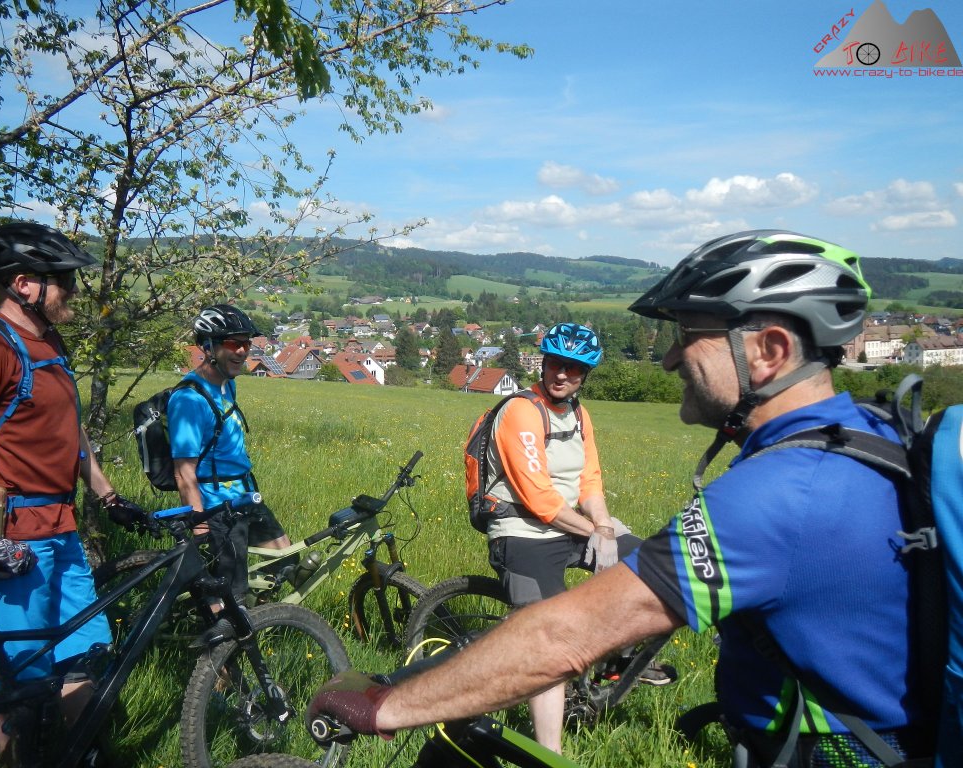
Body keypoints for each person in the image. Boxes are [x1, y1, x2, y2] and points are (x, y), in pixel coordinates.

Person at [308, 230, 930, 766]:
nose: (666, 359)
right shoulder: (870, 436)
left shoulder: (778, 494)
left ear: (768, 351)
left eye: (687, 335)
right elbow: (542, 499)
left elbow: (559, 639)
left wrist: (388, 704)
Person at [0, 221, 138, 757]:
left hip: (62, 528)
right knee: (22, 677)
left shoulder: (49, 342)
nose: (72, 290)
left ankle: (76, 751)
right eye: (63, 279)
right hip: (10, 536)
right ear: (24, 283)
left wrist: (108, 495)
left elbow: (71, 431)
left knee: (84, 653)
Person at [477, 321, 673, 752]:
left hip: (569, 526)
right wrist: (594, 533)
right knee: (548, 649)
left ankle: (616, 659)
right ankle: (551, 754)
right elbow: (539, 498)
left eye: (575, 368)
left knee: (655, 569)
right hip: (523, 532)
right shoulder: (522, 411)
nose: (562, 374)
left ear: (585, 374)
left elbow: (590, 483)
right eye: (555, 364)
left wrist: (603, 528)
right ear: (543, 364)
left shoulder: (580, 415)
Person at [168, 304, 290, 640]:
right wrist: (201, 529)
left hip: (245, 496)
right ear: (208, 347)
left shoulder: (227, 385)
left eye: (246, 344)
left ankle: (261, 626)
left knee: (284, 560)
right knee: (227, 600)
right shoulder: (189, 400)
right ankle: (222, 671)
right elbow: (184, 473)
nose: (241, 351)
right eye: (231, 344)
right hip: (217, 507)